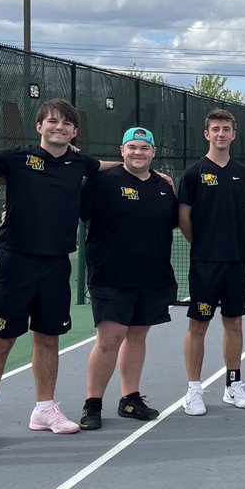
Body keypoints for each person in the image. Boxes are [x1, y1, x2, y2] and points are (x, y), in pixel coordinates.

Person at [0, 98, 100, 448]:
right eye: (52, 121)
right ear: (39, 126)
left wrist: (149, 170)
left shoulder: (80, 162)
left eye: (67, 123)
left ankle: (44, 408)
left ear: (74, 132)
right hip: (14, 263)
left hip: (57, 264)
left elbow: (107, 166)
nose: (59, 127)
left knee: (48, 338)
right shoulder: (14, 158)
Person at [78, 127, 177, 430]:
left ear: (153, 152)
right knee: (109, 340)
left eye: (144, 148)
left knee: (136, 338)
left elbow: (171, 223)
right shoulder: (102, 182)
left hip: (152, 275)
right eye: (132, 147)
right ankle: (92, 404)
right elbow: (76, 213)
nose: (138, 153)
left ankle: (130, 399)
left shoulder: (164, 186)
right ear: (121, 151)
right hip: (110, 275)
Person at [178, 108, 245, 415]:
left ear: (234, 135)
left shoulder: (243, 174)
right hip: (205, 264)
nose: (221, 134)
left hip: (237, 262)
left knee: (234, 323)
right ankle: (194, 390)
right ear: (207, 134)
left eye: (226, 129)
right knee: (199, 324)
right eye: (216, 129)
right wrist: (201, 245)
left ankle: (233, 385)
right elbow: (184, 216)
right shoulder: (194, 173)